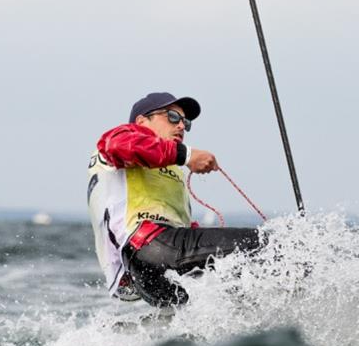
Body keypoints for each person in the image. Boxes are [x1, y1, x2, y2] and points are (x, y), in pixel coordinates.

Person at [87, 91, 261, 307]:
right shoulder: (121, 140)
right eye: (172, 117)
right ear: (142, 121)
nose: (181, 126)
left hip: (153, 269)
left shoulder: (170, 169)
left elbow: (179, 229)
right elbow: (119, 145)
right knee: (267, 244)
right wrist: (186, 155)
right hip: (148, 249)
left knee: (230, 295)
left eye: (185, 122)